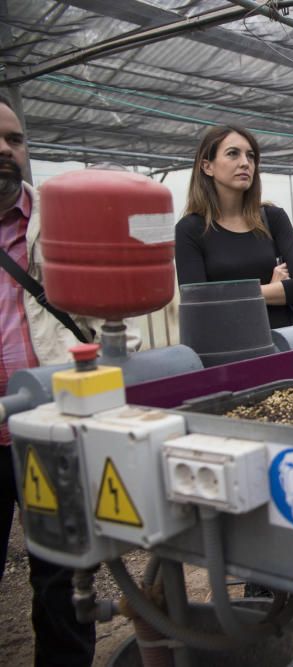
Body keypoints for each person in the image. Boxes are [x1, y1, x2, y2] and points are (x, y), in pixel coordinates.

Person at [0, 94, 96, 666]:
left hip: (51, 429)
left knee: (63, 586)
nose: (5, 151)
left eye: (15, 140)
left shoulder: (61, 224)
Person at [175, 125, 293, 329]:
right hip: (230, 349)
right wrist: (271, 289)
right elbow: (198, 303)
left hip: (285, 343)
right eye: (233, 154)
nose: (245, 163)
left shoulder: (273, 218)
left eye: (250, 156)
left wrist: (232, 294)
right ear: (207, 166)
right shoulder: (190, 229)